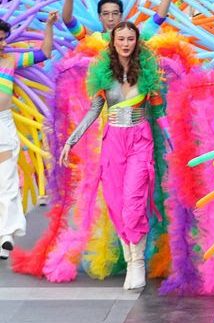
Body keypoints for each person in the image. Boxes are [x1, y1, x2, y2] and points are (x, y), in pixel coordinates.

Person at [58, 21, 168, 290]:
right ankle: (130, 259)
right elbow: (93, 111)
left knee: (133, 202)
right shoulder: (103, 74)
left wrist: (173, 142)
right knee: (117, 204)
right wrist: (71, 141)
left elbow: (159, 114)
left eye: (131, 38)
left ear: (137, 41)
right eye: (122, 39)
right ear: (114, 41)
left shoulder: (148, 73)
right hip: (114, 142)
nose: (126, 43)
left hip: (140, 141)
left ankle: (138, 262)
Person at [0, 12, 57, 260]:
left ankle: (6, 236)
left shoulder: (10, 60)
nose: (2, 43)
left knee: (7, 181)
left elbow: (44, 53)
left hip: (3, 126)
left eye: (3, 38)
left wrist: (49, 27)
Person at [62, 0, 172, 40]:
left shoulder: (134, 36)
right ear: (100, 17)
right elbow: (68, 21)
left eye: (115, 14)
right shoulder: (93, 38)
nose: (110, 18)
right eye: (106, 14)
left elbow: (159, 17)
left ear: (120, 16)